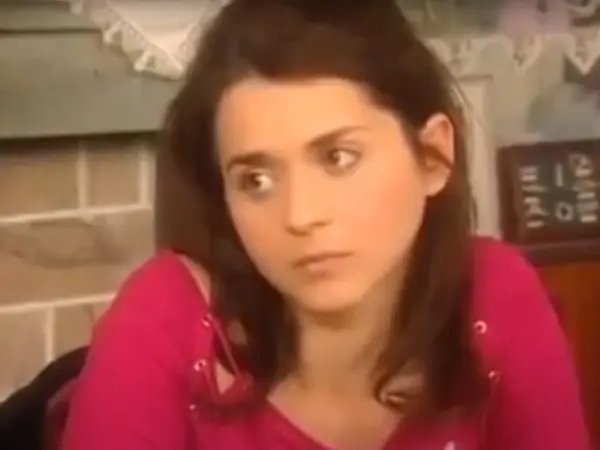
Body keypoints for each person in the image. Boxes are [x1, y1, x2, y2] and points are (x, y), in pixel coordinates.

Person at [59, 0, 591, 448]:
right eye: (256, 180)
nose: (301, 215)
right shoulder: (164, 320)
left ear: (433, 156)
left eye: (338, 158)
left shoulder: (494, 296)